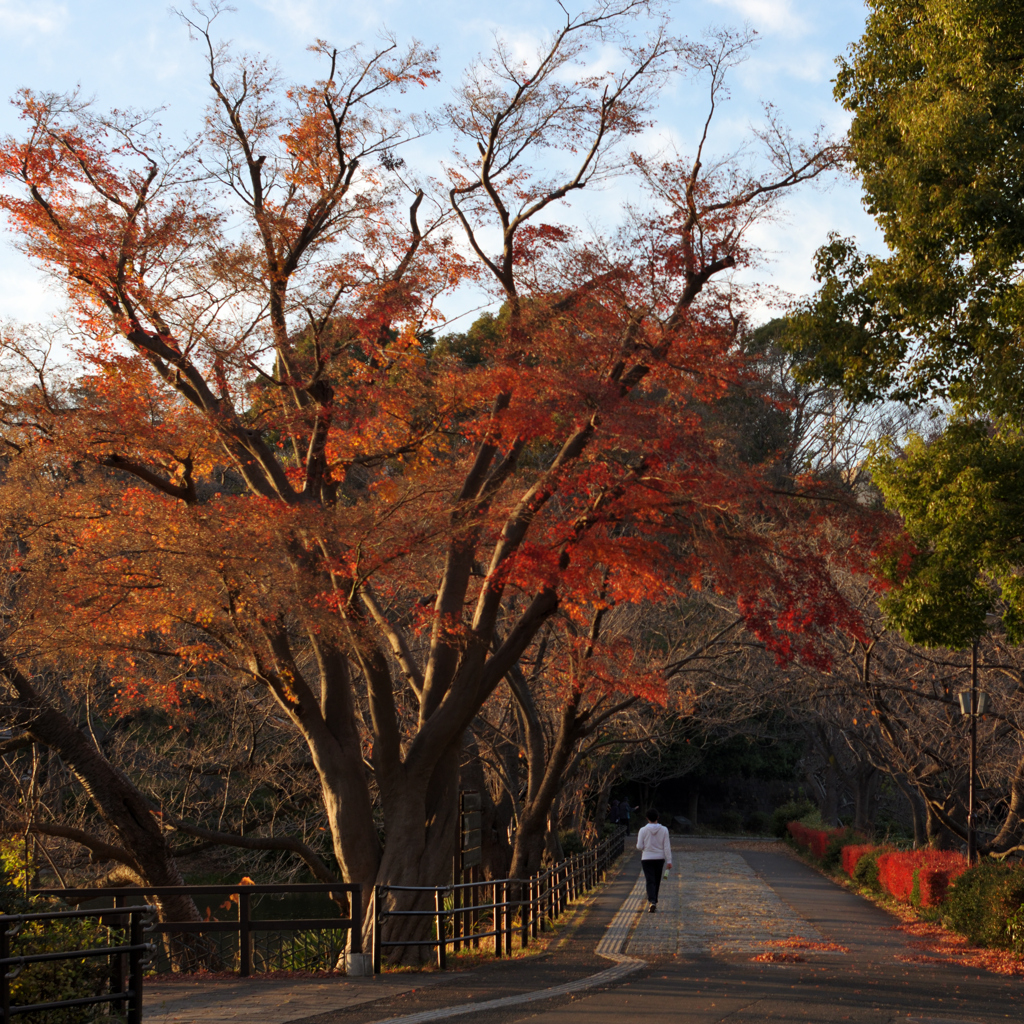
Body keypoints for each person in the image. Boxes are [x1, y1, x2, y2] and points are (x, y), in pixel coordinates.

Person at [636, 808, 672, 912]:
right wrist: (669, 860)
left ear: (647, 818)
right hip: (659, 858)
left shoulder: (643, 830)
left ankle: (652, 901)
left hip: (647, 858)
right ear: (657, 817)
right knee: (657, 880)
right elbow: (667, 846)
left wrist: (645, 848)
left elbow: (639, 846)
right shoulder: (664, 830)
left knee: (650, 880)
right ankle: (654, 900)